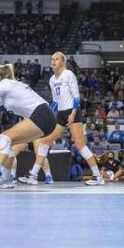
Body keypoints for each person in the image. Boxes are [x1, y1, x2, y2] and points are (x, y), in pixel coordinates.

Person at [18, 52, 104, 187]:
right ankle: (33, 175)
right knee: (45, 142)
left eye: (56, 59)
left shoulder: (68, 74)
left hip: (72, 111)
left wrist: (73, 112)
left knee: (80, 145)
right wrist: (49, 113)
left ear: (63, 62)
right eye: (52, 59)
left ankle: (98, 176)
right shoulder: (52, 79)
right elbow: (56, 101)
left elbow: (76, 96)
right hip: (61, 114)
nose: (53, 61)